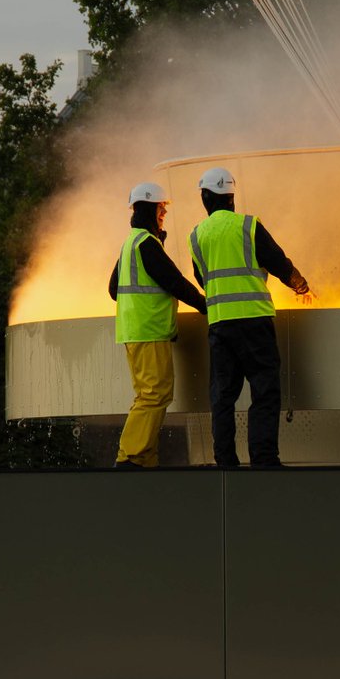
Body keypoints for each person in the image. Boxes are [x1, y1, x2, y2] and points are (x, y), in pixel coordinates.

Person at [188, 167, 310, 469]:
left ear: (205, 196)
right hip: (255, 322)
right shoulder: (249, 226)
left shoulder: (196, 235)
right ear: (231, 197)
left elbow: (202, 279)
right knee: (264, 391)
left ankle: (226, 462)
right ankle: (264, 460)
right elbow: (279, 263)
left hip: (219, 326)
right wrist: (301, 285)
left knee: (222, 397)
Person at [109, 181, 208, 469]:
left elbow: (113, 289)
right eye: (161, 208)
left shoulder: (130, 244)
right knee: (155, 395)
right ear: (150, 208)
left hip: (133, 332)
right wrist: (206, 305)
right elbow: (175, 282)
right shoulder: (147, 244)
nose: (164, 213)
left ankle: (144, 458)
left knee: (149, 395)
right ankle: (130, 456)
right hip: (149, 331)